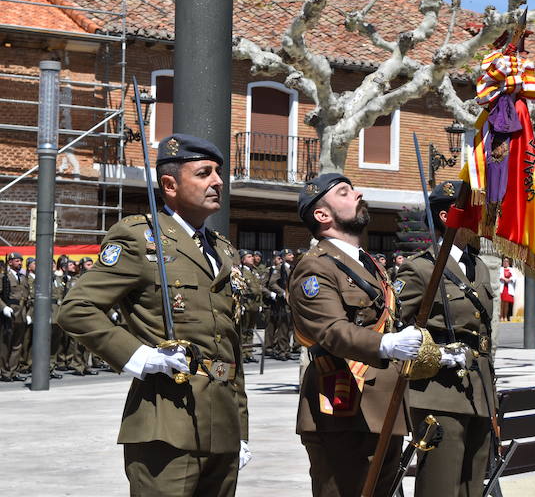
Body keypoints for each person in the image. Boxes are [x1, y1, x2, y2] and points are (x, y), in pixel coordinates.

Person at [58, 133, 251, 497]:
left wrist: (240, 429)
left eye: (219, 173)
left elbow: (230, 347)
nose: (218, 181)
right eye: (204, 173)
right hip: (166, 417)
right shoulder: (140, 239)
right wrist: (140, 356)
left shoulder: (221, 249)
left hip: (223, 422)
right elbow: (76, 309)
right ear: (170, 184)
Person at [289, 173, 424, 497]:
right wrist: (385, 344)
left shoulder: (368, 264)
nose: (358, 194)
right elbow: (331, 330)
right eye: (345, 192)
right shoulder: (316, 267)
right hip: (342, 407)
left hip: (384, 408)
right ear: (322, 215)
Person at [395, 180, 498, 497]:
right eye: (472, 211)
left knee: (472, 486)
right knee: (440, 486)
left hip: (477, 390)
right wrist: (436, 353)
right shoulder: (421, 269)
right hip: (438, 393)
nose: (481, 219)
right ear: (446, 216)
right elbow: (394, 325)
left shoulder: (477, 265)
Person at [0, 252, 28, 382]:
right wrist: (3, 307)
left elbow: (26, 297)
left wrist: (27, 314)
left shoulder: (23, 277)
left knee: (18, 344)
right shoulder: (4, 277)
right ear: (10, 262)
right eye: (17, 261)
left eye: (21, 261)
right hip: (9, 313)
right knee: (6, 344)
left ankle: (13, 370)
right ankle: (4, 371)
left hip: (21, 314)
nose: (20, 263)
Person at [498, 256, 517, 322]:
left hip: (508, 288)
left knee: (506, 303)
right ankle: (501, 316)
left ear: (509, 262)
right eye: (504, 261)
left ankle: (505, 316)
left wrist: (509, 280)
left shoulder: (511, 269)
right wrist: (504, 279)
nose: (505, 263)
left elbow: (514, 277)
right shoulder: (500, 269)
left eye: (506, 261)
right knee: (501, 303)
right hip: (502, 288)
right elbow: (499, 276)